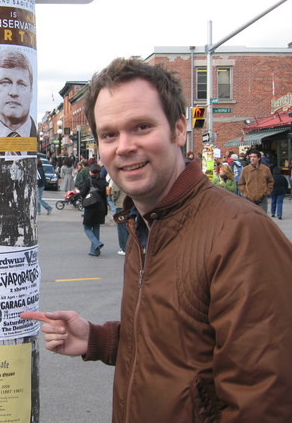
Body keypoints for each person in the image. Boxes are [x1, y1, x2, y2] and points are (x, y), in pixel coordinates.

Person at [22, 57, 292, 422]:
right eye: (109, 134)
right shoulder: (144, 222)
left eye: (142, 127)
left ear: (179, 129)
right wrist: (97, 340)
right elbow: (174, 347)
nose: (124, 147)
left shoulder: (241, 233)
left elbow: (264, 400)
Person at [79, 164, 107, 256]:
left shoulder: (88, 180)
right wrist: (105, 210)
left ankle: (97, 243)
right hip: (100, 206)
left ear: (90, 171)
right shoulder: (103, 181)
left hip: (90, 206)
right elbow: (104, 196)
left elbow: (83, 193)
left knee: (87, 227)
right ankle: (94, 251)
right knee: (96, 227)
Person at [110, 178, 128, 255]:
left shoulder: (119, 180)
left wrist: (113, 199)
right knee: (129, 226)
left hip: (120, 205)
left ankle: (124, 248)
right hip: (129, 205)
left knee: (121, 227)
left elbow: (115, 191)